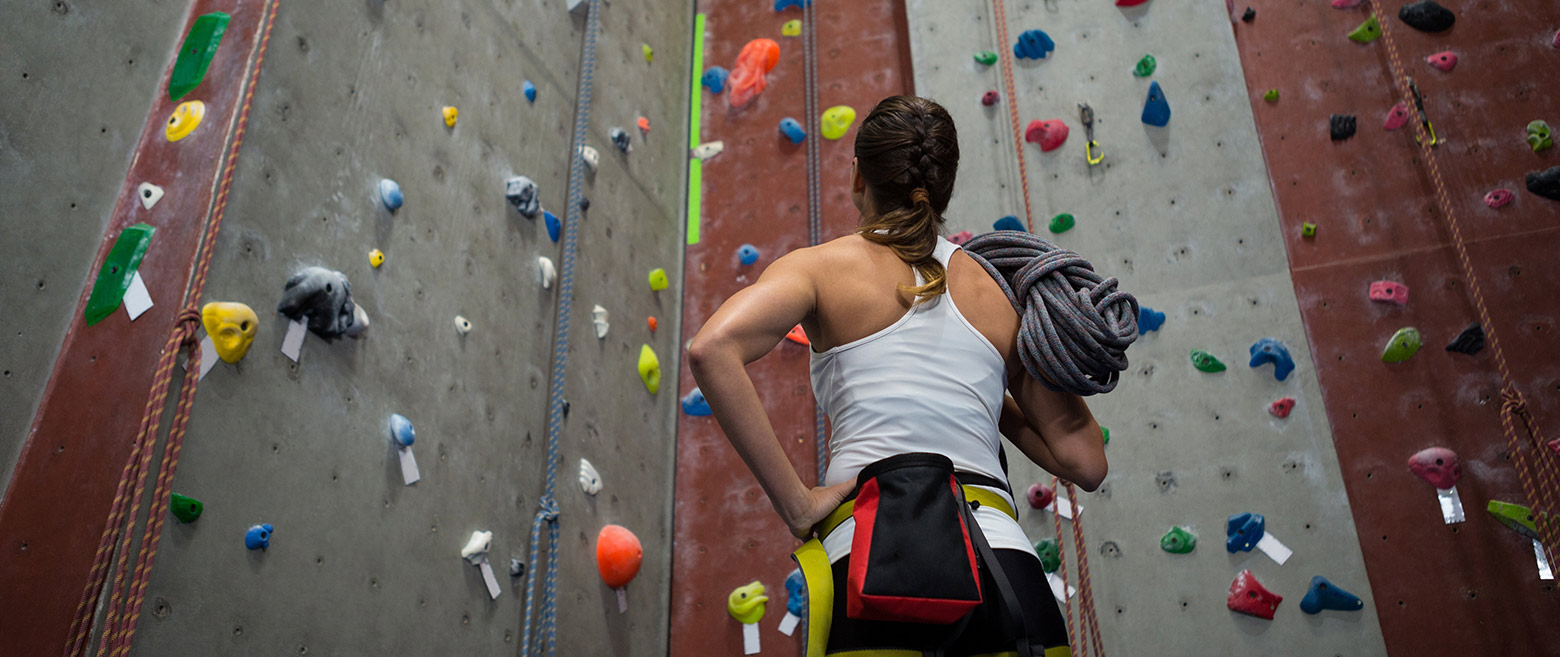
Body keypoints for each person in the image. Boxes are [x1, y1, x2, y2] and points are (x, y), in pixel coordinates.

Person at [688, 95, 1107, 657]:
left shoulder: (818, 267)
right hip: (1005, 571)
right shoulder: (998, 295)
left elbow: (711, 348)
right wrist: (982, 391)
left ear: (858, 175)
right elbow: (1085, 462)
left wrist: (797, 504)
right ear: (946, 187)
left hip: (875, 558)